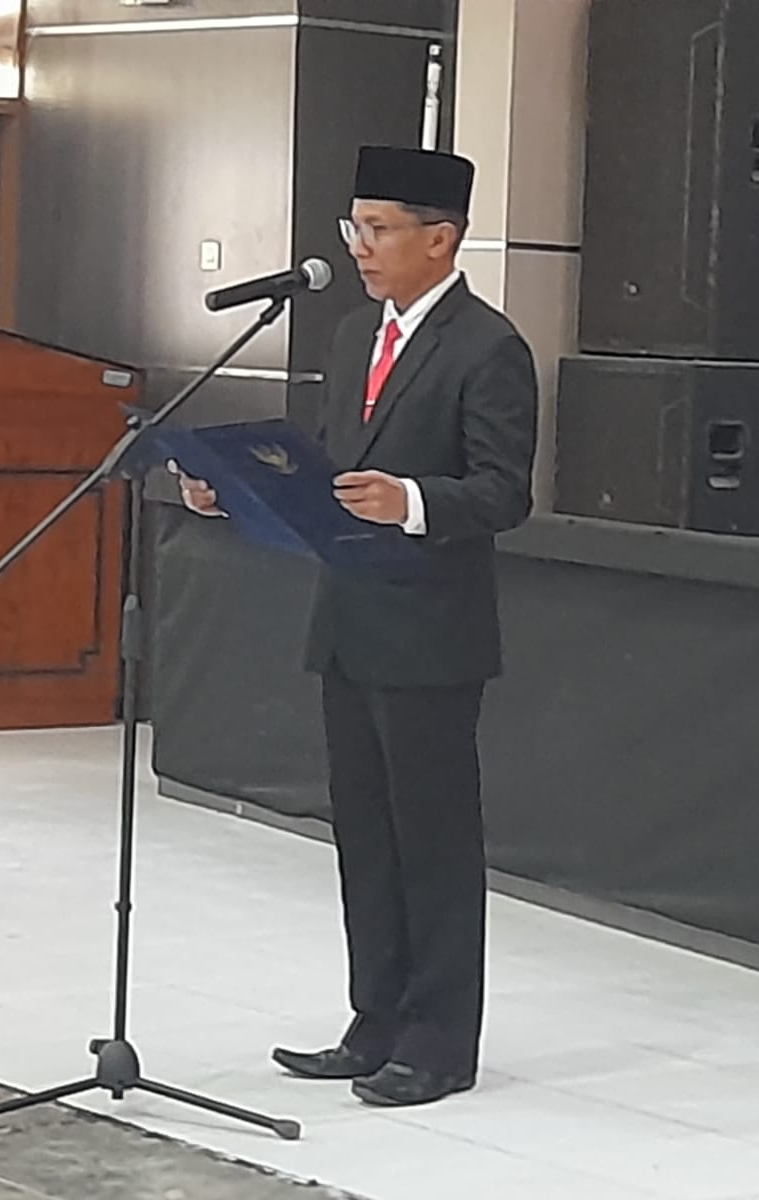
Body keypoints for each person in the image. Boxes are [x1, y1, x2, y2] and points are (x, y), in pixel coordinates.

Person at [177, 145, 538, 1107]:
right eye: (355, 228)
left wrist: (410, 499)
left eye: (379, 230)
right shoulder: (351, 337)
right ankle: (374, 1021)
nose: (361, 248)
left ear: (440, 238)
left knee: (432, 840)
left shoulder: (487, 348)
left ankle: (440, 1042)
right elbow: (329, 466)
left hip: (431, 630)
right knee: (367, 838)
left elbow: (504, 492)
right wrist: (234, 489)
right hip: (349, 618)